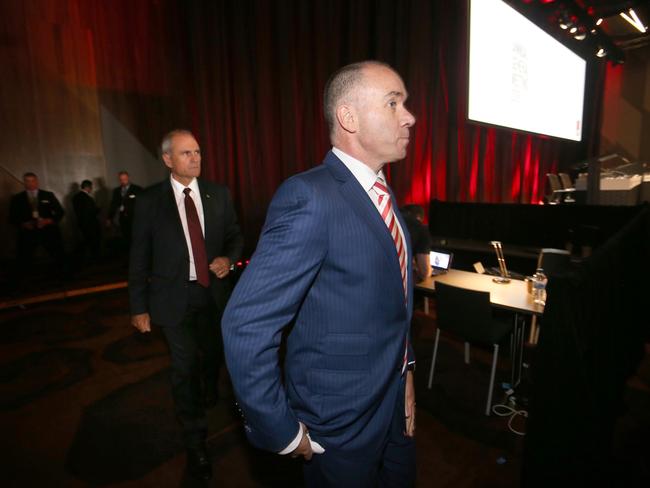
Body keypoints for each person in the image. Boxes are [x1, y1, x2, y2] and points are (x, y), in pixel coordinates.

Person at [222, 61, 417, 487]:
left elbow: (394, 304)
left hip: (394, 410)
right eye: (393, 103)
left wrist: (406, 373)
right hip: (340, 423)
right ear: (349, 117)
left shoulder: (381, 193)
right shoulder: (310, 196)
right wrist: (282, 432)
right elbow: (246, 324)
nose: (409, 116)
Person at [128, 130, 243, 481]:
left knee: (213, 355)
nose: (195, 158)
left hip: (213, 295)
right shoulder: (149, 202)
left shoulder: (218, 194)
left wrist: (229, 259)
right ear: (167, 159)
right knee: (184, 365)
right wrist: (138, 307)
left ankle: (209, 387)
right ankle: (196, 442)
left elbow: (236, 236)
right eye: (185, 153)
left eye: (197, 151)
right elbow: (138, 257)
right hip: (171, 300)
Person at [8, 172, 66, 278]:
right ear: (24, 182)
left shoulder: (48, 195)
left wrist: (48, 220)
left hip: (48, 232)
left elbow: (60, 212)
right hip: (27, 234)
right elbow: (12, 218)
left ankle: (64, 278)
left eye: (32, 180)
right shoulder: (17, 198)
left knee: (59, 257)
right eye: (27, 181)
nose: (30, 183)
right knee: (24, 260)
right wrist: (23, 224)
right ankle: (27, 282)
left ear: (37, 181)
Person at [108, 171, 142, 247]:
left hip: (134, 218)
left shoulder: (137, 189)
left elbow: (142, 204)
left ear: (128, 178)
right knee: (126, 237)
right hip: (123, 218)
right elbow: (113, 204)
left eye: (125, 179)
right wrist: (109, 217)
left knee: (136, 237)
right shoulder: (116, 191)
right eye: (121, 179)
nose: (123, 181)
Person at [400, 204, 432, 282]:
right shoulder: (420, 229)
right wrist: (429, 270)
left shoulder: (390, 220)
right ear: (419, 217)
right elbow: (424, 272)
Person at [72, 179, 102, 262]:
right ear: (88, 187)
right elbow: (91, 211)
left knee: (86, 241)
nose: (91, 189)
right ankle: (95, 259)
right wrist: (98, 209)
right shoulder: (88, 198)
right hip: (91, 224)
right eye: (91, 187)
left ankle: (86, 259)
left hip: (82, 224)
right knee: (94, 242)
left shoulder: (75, 197)